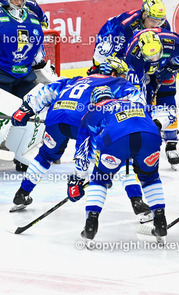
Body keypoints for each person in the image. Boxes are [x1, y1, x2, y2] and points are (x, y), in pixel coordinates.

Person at [9, 57, 154, 222]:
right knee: (120, 157)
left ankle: (22, 194)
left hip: (56, 117)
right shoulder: (119, 83)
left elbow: (46, 90)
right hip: (84, 121)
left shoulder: (74, 80)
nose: (123, 78)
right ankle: (138, 202)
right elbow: (138, 106)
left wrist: (26, 109)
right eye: (122, 74)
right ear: (114, 73)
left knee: (45, 156)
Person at [75, 86, 169, 246]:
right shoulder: (133, 102)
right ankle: (160, 222)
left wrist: (81, 177)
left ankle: (91, 225)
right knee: (150, 179)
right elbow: (167, 112)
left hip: (115, 141)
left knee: (99, 180)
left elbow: (83, 151)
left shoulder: (90, 113)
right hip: (150, 136)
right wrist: (155, 126)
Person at [124, 28, 179, 168]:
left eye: (157, 54)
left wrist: (172, 66)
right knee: (144, 104)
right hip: (143, 72)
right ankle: (145, 139)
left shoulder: (173, 43)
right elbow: (137, 91)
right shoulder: (133, 56)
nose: (154, 58)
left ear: (161, 46)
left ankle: (171, 144)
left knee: (167, 98)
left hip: (165, 68)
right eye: (151, 56)